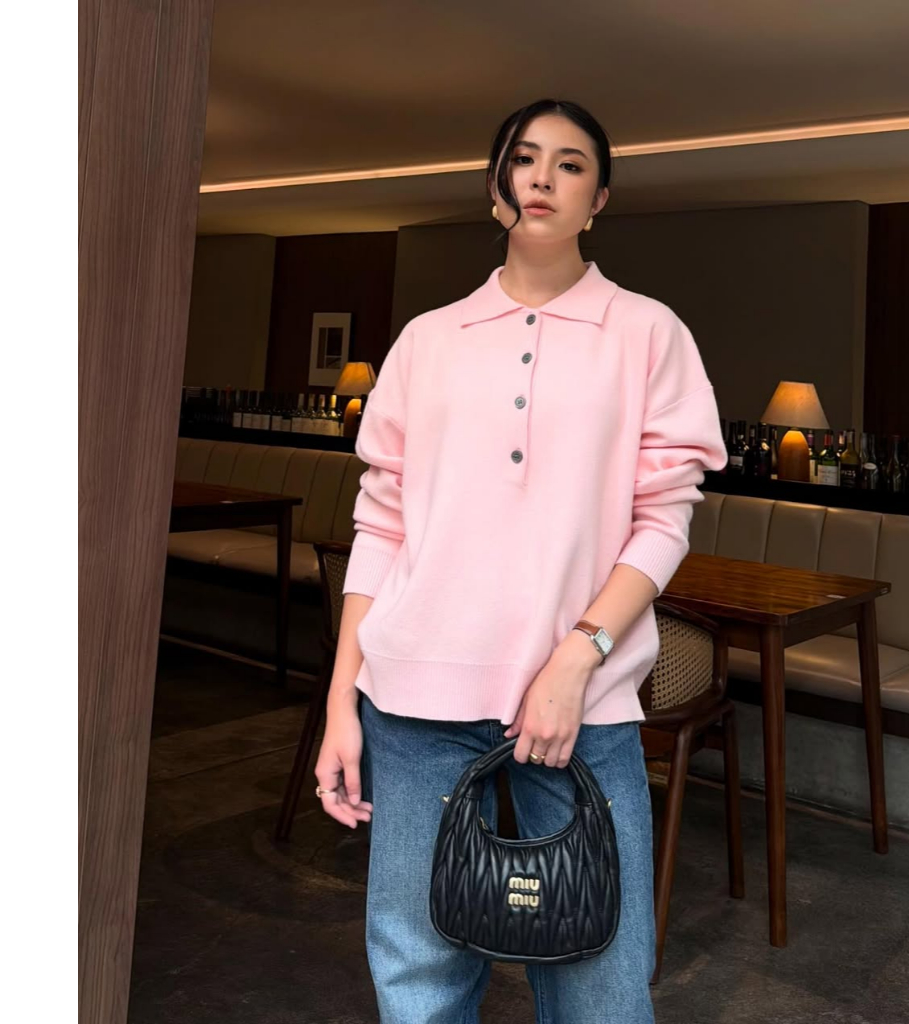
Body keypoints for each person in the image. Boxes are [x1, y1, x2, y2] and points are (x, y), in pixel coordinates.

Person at [314, 98, 728, 1024]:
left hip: (583, 709)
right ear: (498, 186)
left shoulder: (647, 332)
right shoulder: (428, 339)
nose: (544, 177)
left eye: (571, 164)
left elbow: (663, 520)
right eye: (525, 158)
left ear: (598, 199)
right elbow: (381, 527)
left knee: (604, 988)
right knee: (418, 980)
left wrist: (575, 660)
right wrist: (342, 703)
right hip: (413, 705)